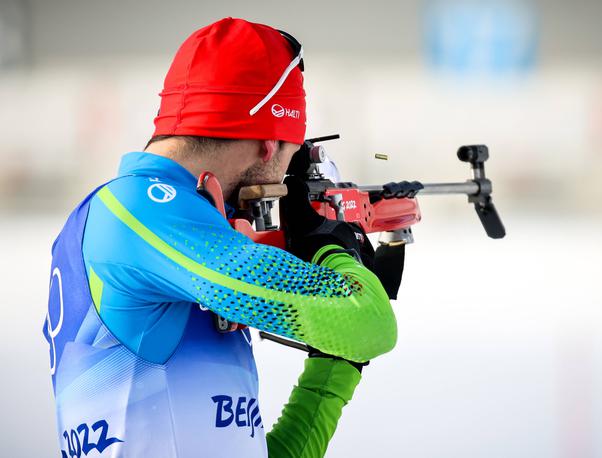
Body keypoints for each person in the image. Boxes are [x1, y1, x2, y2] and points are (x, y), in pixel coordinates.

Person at [43, 17, 397, 457]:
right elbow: (369, 323)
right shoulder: (138, 208)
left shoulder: (150, 217)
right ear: (269, 142)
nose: (284, 175)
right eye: (291, 152)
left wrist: (334, 368)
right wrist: (330, 245)